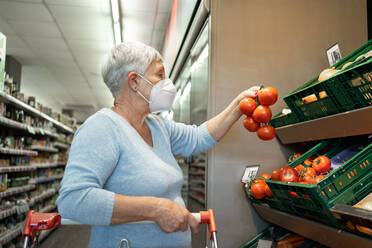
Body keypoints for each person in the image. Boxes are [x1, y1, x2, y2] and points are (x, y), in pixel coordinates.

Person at [56, 41, 259, 248]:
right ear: (134, 81)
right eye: (160, 75)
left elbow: (199, 136)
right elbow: (73, 200)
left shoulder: (158, 127)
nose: (167, 82)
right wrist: (155, 208)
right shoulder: (102, 127)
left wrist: (239, 105)